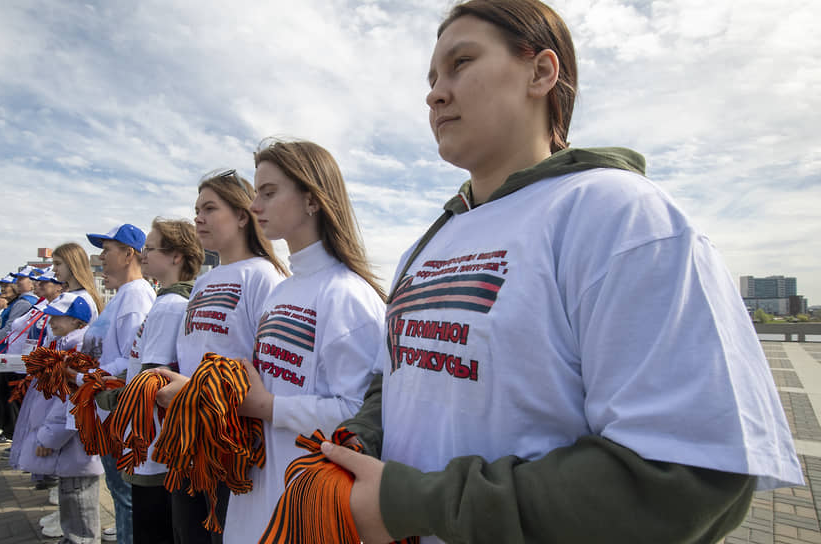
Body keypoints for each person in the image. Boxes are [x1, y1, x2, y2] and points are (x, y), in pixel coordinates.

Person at [318, 2, 804, 543]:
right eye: (432, 79)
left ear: (541, 72)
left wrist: (416, 504)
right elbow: (401, 377)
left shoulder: (622, 215)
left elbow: (685, 476)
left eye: (461, 63)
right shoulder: (427, 243)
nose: (435, 93)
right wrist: (361, 437)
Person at [204, 139, 384, 542]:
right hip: (256, 495)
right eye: (256, 194)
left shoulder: (348, 295)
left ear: (312, 200)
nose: (254, 206)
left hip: (308, 512)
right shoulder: (281, 291)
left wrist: (268, 406)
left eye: (269, 193)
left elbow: (361, 418)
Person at [153, 169, 286, 543]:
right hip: (188, 437)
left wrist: (194, 391)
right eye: (197, 209)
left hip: (233, 446)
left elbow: (268, 369)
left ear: (243, 215)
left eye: (210, 208)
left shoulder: (264, 277)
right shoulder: (205, 282)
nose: (198, 217)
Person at [100, 218, 202, 544]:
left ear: (177, 256)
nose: (144, 255)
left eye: (152, 248)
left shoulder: (170, 306)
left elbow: (152, 380)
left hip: (152, 449)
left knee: (152, 529)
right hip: (154, 446)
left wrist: (109, 397)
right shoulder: (169, 301)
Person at [74, 223, 156, 544]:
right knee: (121, 494)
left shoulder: (136, 297)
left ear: (128, 254)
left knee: (126, 498)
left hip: (119, 412)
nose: (101, 256)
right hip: (106, 408)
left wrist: (85, 376)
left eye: (107, 250)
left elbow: (134, 359)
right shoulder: (124, 295)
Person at [11, 293, 104, 543]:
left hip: (73, 439)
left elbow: (70, 401)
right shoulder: (64, 345)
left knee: (78, 499)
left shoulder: (78, 350)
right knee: (71, 496)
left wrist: (49, 437)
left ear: (76, 320)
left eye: (58, 316)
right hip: (67, 438)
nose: (51, 321)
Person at [52, 242, 106, 317]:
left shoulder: (80, 300)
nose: (54, 269)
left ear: (72, 264)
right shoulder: (78, 296)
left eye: (58, 264)